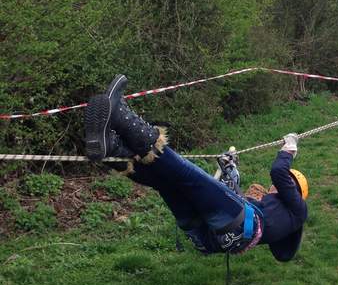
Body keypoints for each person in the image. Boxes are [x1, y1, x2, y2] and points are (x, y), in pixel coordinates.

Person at [83, 75, 309, 261]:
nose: (272, 187)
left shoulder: (297, 208)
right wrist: (230, 167)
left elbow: (278, 173)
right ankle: (113, 152)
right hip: (210, 239)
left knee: (183, 173)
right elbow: (226, 196)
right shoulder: (279, 215)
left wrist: (289, 149)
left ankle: (120, 116)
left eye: (283, 185)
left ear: (294, 189)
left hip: (240, 226)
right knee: (166, 182)